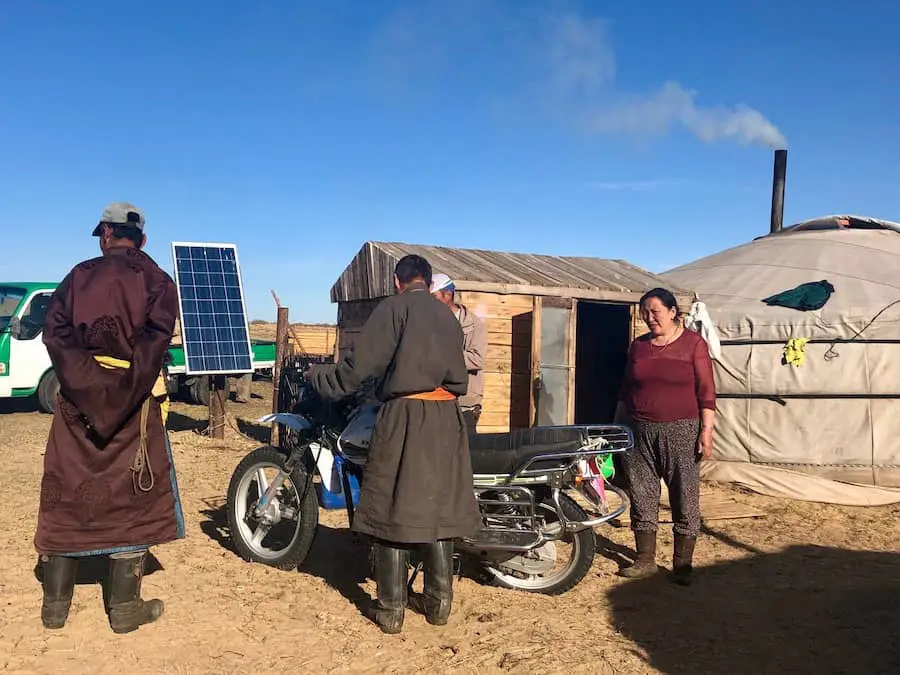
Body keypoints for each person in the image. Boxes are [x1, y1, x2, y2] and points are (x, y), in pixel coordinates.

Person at [307, 254, 481, 634]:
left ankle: (390, 609)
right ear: (428, 281)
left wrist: (319, 378)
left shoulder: (395, 308)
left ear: (398, 282)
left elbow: (357, 370)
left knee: (391, 507)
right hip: (448, 419)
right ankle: (438, 604)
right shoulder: (446, 316)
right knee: (436, 511)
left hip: (406, 416)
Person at [34, 202, 184, 633]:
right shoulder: (158, 282)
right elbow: (154, 346)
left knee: (66, 491)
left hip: (74, 404)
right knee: (133, 498)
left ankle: (54, 608)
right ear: (142, 239)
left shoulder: (78, 276)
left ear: (104, 234)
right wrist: (120, 396)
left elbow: (55, 334)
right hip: (134, 406)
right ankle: (123, 610)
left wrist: (86, 386)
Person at [614, 287, 716, 586]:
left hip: (682, 429)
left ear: (673, 312)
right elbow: (626, 388)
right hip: (638, 429)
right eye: (645, 312)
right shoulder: (639, 346)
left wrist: (706, 430)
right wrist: (618, 425)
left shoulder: (693, 344)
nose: (649, 318)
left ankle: (682, 564)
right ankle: (645, 559)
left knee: (684, 494)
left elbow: (706, 391)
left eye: (655, 311)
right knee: (642, 493)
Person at [430, 273, 488, 433]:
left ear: (448, 295)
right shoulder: (427, 322)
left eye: (433, 296)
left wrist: (444, 356)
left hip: (465, 403)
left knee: (464, 451)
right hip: (434, 399)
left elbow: (477, 359)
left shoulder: (474, 324)